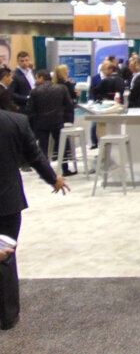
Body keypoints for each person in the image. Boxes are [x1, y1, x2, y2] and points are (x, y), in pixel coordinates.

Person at [0, 108, 69, 330]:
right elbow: (35, 156)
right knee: (5, 257)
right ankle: (7, 316)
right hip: (7, 201)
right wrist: (53, 179)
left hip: (8, 201)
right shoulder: (16, 121)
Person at [26, 70, 74, 176]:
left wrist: (31, 126)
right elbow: (69, 105)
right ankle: (65, 169)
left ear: (41, 78)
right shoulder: (61, 88)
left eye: (37, 78)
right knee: (61, 145)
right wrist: (69, 121)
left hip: (41, 123)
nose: (36, 80)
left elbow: (30, 110)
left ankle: (44, 172)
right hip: (58, 121)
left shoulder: (34, 91)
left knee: (43, 147)